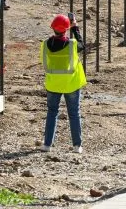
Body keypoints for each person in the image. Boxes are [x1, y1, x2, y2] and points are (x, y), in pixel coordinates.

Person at [41, 14, 86, 153]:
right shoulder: (71, 44)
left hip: (53, 84)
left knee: (52, 112)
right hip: (71, 84)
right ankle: (77, 146)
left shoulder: (46, 44)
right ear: (66, 29)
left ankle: (47, 144)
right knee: (74, 114)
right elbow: (81, 45)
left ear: (53, 28)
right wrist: (76, 28)